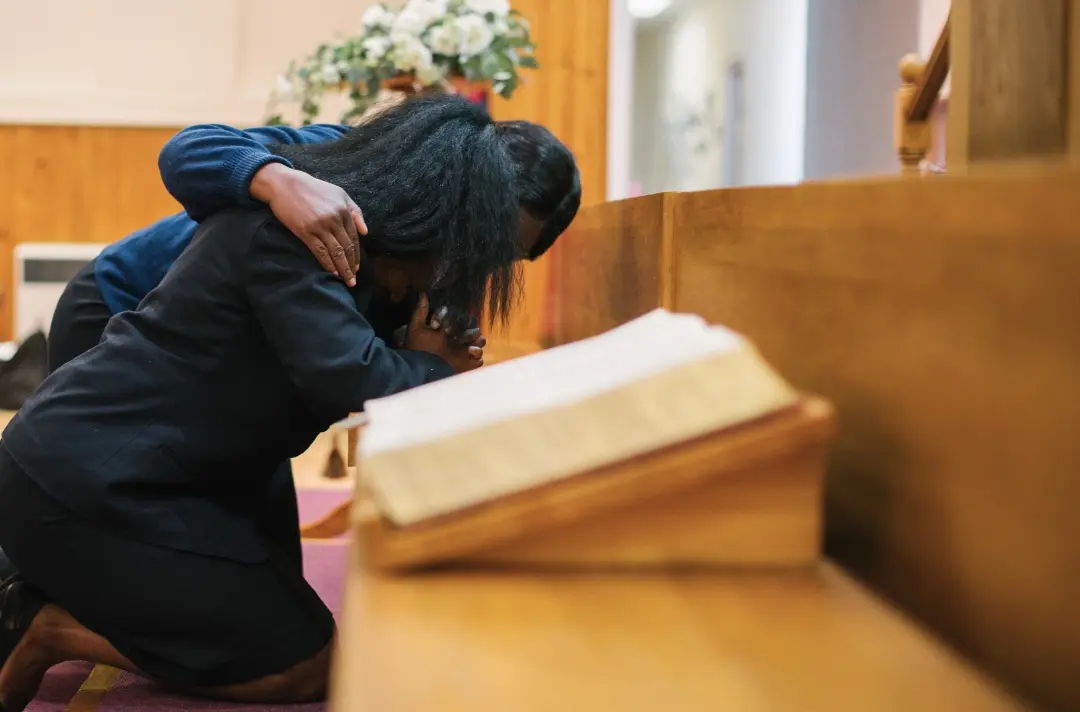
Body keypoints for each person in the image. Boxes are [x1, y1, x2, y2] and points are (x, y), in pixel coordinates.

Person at [0, 95, 580, 710]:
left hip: (199, 425)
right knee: (287, 657)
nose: (476, 266)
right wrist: (435, 367)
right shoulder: (314, 205)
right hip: (112, 358)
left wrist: (421, 355)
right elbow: (349, 377)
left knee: (274, 612)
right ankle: (41, 616)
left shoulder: (391, 250)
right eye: (483, 244)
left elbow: (338, 372)